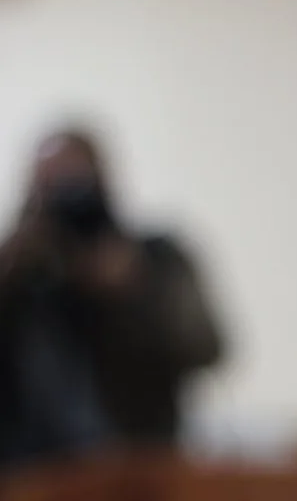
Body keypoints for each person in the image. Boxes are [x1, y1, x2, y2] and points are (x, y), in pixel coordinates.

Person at [0, 127, 224, 468]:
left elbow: (207, 347)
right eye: (49, 185)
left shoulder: (154, 259)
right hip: (32, 478)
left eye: (73, 184)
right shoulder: (22, 271)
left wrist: (135, 291)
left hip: (139, 468)